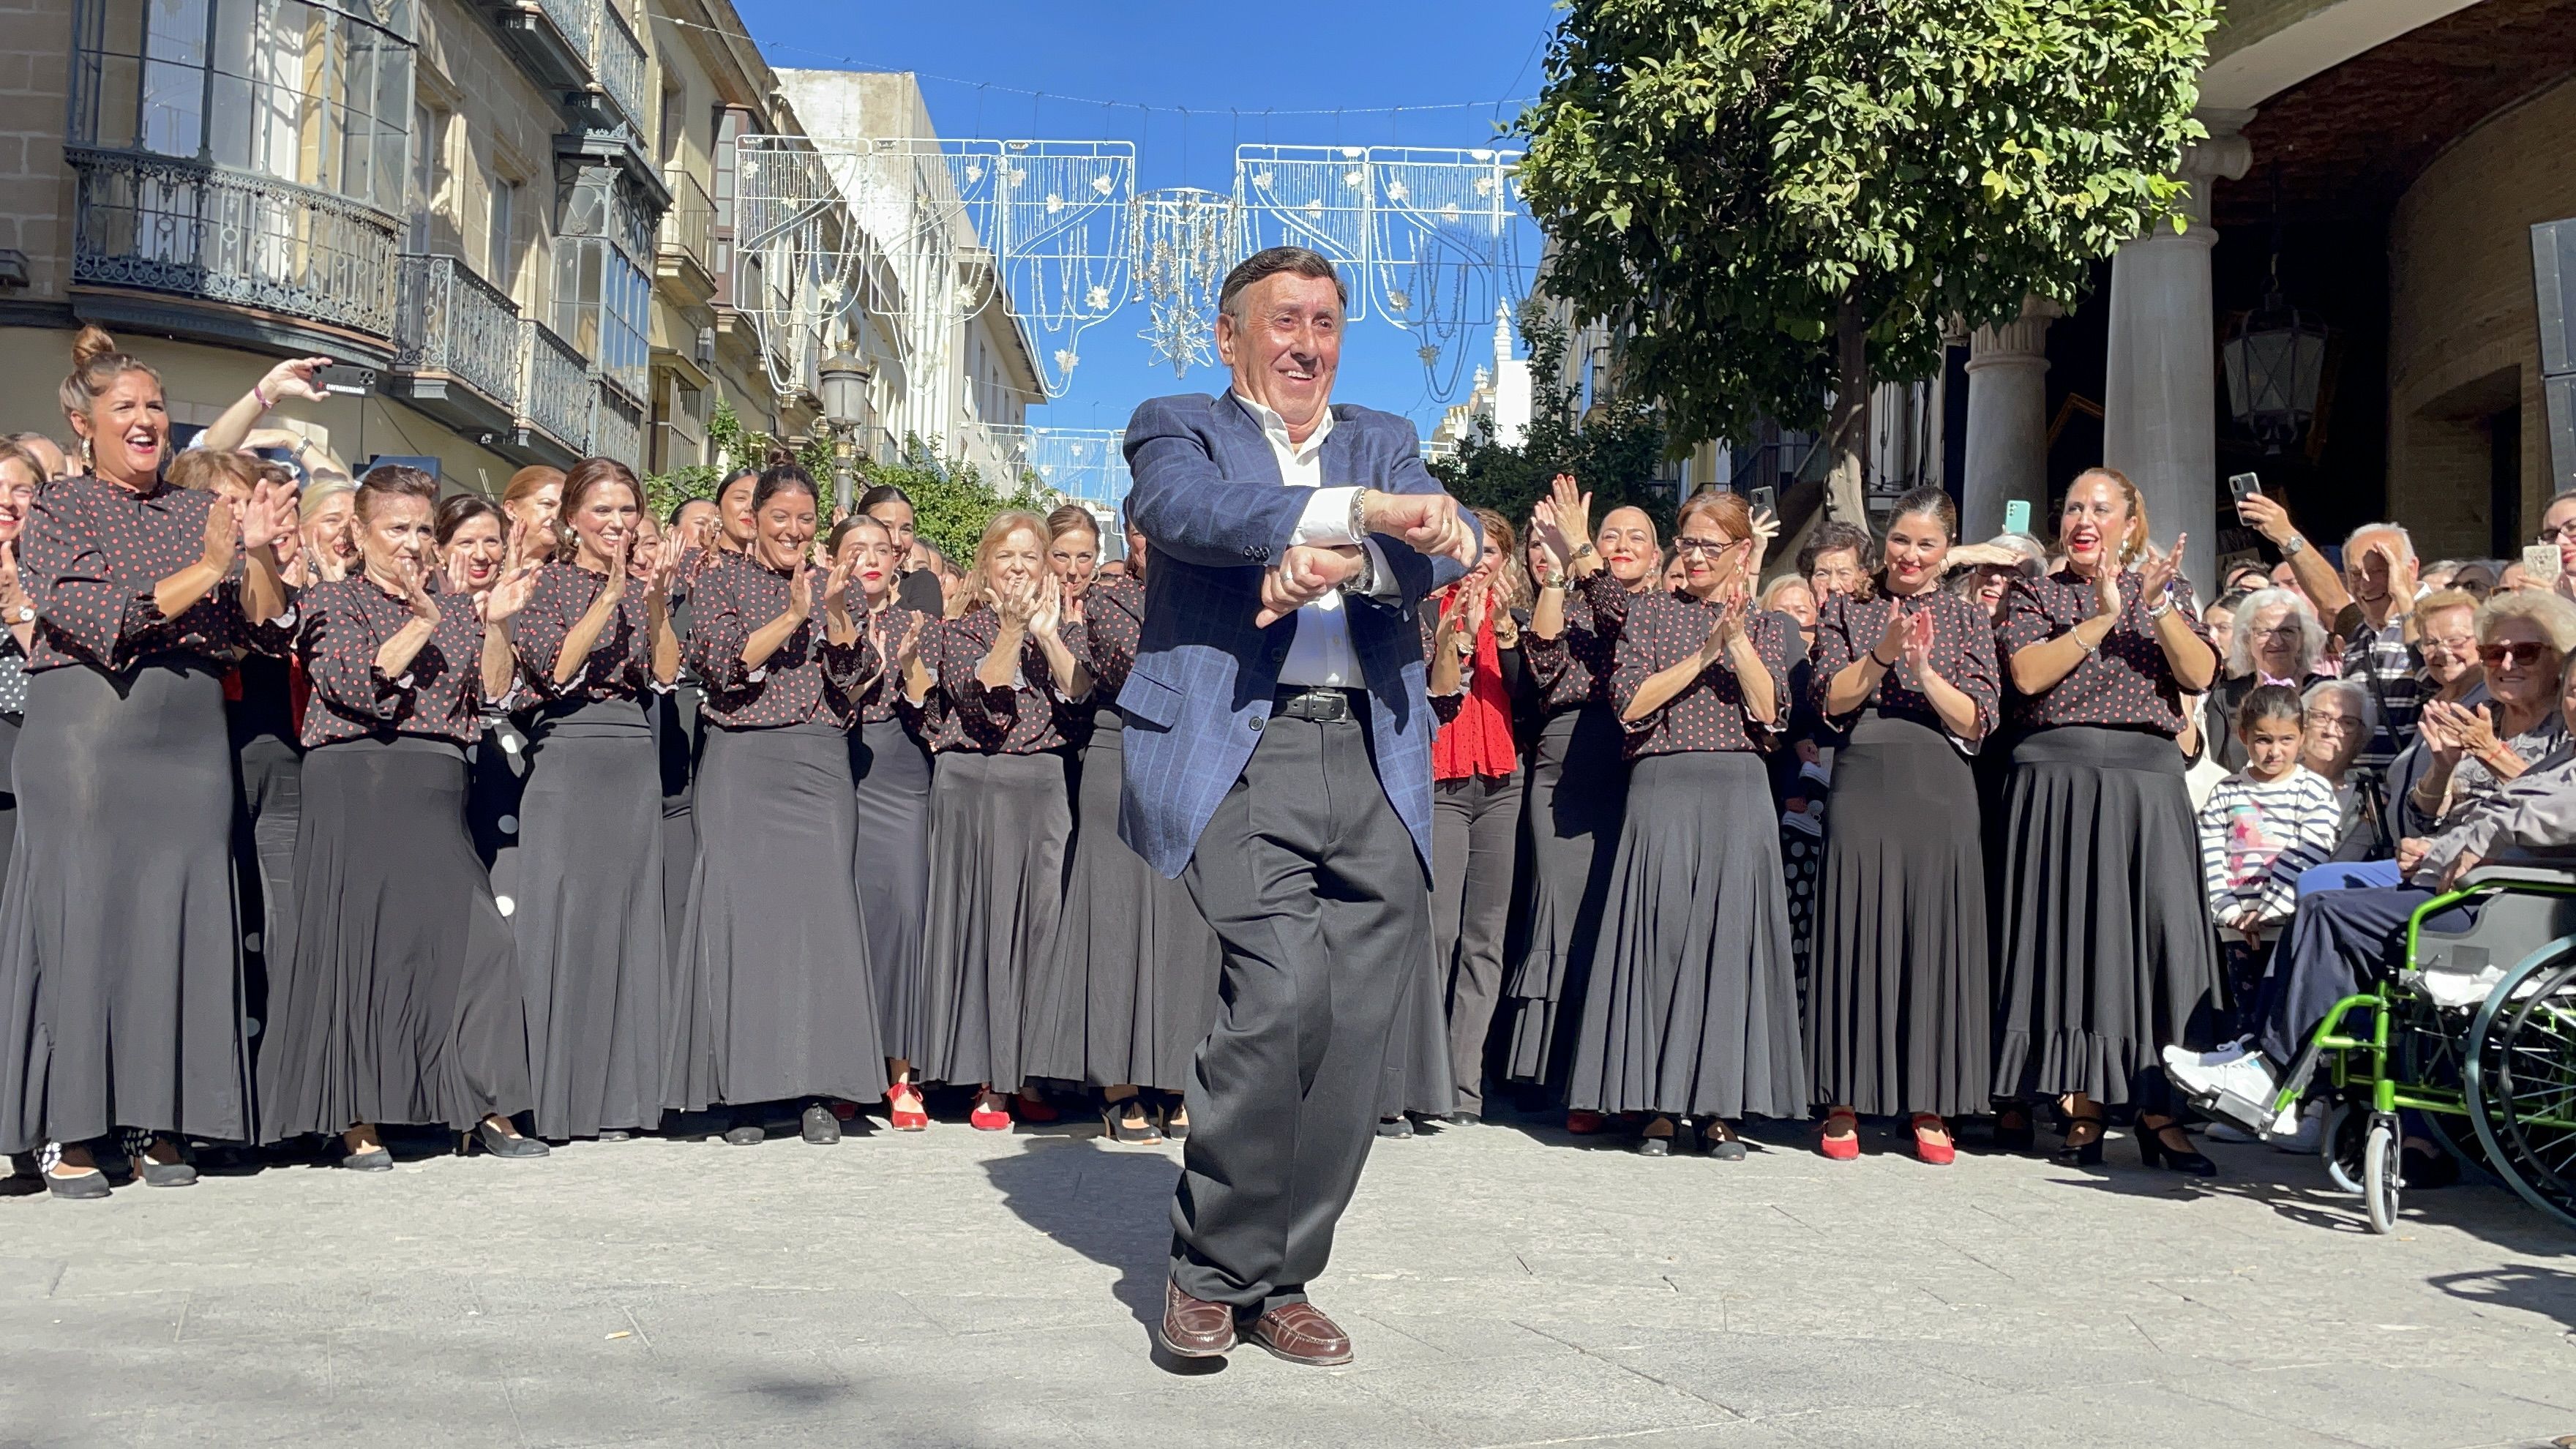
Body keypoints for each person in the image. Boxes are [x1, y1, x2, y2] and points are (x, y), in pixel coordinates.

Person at [1122, 245, 1475, 1367]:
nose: (1307, 344)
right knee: (1279, 995)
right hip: (1240, 747)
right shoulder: (1178, 425)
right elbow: (1186, 511)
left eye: (1325, 323)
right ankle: (1209, 1272)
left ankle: (1283, 1280)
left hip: (1373, 751)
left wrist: (1354, 560)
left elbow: (1442, 551)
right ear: (1230, 335)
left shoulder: (1384, 433)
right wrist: (1349, 515)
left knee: (1357, 1030)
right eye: (1284, 321)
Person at [1, 327, 295, 1197]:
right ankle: (75, 1128)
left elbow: (257, 628)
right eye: (125, 406)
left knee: (181, 919)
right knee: (85, 921)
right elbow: (102, 619)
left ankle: (163, 1121)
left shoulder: (195, 509)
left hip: (191, 738)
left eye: (156, 406)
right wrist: (210, 565)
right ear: (82, 423)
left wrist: (257, 552)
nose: (146, 419)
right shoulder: (60, 508)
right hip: (91, 734)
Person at [258, 465, 547, 1169]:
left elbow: (493, 693)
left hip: (436, 788)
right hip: (359, 783)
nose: (413, 542)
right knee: (359, 950)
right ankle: (355, 1119)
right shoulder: (333, 599)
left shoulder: (457, 607)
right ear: (359, 534)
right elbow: (352, 681)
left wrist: (495, 624)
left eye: (422, 528)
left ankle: (485, 1105)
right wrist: (422, 622)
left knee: (483, 945)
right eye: (397, 528)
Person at [2168, 647, 2576, 1138]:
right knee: (2319, 901)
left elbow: (2543, 818)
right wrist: (2439, 848)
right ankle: (2265, 1059)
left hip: (2506, 908)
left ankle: (2276, 1073)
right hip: (2464, 886)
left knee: (2331, 916)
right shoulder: (2564, 756)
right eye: (2573, 691)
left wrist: (2481, 842)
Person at [1993, 467, 2220, 1174]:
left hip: (2145, 783)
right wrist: (2100, 618)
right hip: (2057, 780)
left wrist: (2155, 608)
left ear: (2130, 521)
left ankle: (2159, 1109)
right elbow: (2027, 676)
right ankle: (2082, 1103)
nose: (2083, 520)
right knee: (2076, 943)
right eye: (2072, 508)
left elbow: (2200, 675)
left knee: (2155, 940)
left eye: (2099, 508)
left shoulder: (2168, 590)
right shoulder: (2038, 591)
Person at [1567, 487, 1800, 1159]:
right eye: (1688, 543)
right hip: (1664, 785)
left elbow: (1772, 711)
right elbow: (1630, 703)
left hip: (1739, 791)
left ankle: (1718, 1110)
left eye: (1710, 546)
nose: (1695, 556)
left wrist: (1736, 642)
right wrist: (1703, 656)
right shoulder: (1648, 612)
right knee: (1661, 942)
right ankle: (1659, 1108)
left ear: (1742, 551)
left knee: (1729, 949)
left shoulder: (1766, 623)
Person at [670, 460, 883, 1146]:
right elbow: (721, 664)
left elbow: (854, 680)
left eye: (805, 519)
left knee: (822, 922)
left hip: (819, 762)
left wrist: (838, 613)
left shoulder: (834, 584)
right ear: (754, 518)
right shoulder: (720, 578)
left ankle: (819, 1089)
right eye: (780, 517)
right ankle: (747, 1095)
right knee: (745, 922)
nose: (793, 530)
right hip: (743, 760)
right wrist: (794, 614)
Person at [1807, 488, 1999, 1164]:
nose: (1910, 555)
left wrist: (1924, 672)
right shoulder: (1847, 607)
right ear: (1883, 540)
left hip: (1941, 785)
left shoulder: (1967, 617)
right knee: (1858, 930)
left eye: (1926, 544)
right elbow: (1831, 699)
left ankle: (1929, 1100)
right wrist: (1884, 654)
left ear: (1947, 552)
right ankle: (1843, 1099)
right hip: (1865, 779)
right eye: (1900, 540)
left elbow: (1979, 717)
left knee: (1934, 938)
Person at [1027, 518, 1221, 1142]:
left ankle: (1177, 1078)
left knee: (1188, 925)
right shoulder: (1113, 597)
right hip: (1125, 753)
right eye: (1143, 532)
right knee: (1113, 920)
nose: (1153, 543)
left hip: (1196, 762)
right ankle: (1117, 1082)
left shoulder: (1217, 592)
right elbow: (1137, 673)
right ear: (1130, 538)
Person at [507, 458, 682, 1143]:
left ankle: (622, 1102)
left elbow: (665, 674)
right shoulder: (543, 582)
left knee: (627, 921)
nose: (616, 522)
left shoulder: (644, 586)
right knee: (564, 918)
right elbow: (554, 669)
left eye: (627, 510)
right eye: (602, 510)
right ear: (572, 517)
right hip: (567, 753)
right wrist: (608, 597)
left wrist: (653, 602)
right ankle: (553, 1102)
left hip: (631, 754)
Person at [916, 511, 1089, 1130]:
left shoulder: (1066, 625)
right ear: (985, 564)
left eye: (1030, 557)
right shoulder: (957, 629)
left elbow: (1080, 694)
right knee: (982, 926)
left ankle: (1030, 1071)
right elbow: (983, 700)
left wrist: (1046, 634)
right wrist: (1011, 631)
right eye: (1006, 556)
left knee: (1041, 926)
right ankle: (987, 1081)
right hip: (974, 783)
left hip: (1041, 785)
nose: (1018, 568)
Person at [1508, 479, 1654, 1122]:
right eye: (1610, 534)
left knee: (1619, 919)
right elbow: (1542, 660)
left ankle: (1611, 1078)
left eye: (1636, 537)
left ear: (1657, 555)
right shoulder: (1568, 598)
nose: (1620, 544)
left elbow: (1624, 619)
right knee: (1562, 915)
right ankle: (1553, 1074)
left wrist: (1584, 549)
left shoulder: (1661, 609)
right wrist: (1559, 568)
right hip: (1567, 755)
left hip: (1637, 762)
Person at [1416, 506, 1532, 1128]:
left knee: (1485, 938)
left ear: (1507, 563)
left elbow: (1530, 697)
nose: (1481, 562)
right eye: (1472, 548)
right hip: (1441, 781)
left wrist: (1504, 633)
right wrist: (1455, 634)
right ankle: (1422, 1079)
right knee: (1437, 933)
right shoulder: (1423, 610)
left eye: (1493, 551)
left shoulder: (1520, 623)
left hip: (1501, 783)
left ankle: (1464, 1086)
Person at [832, 513, 940, 1131]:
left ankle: (902, 1075)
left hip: (900, 773)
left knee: (903, 914)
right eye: (856, 549)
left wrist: (910, 663)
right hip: (833, 770)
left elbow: (930, 706)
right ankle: (846, 1065)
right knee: (843, 917)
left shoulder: (918, 623)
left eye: (881, 549)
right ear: (834, 559)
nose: (871, 559)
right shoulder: (817, 616)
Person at [2195, 685, 2343, 1041]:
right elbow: (2209, 852)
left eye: (2286, 740)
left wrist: (2270, 910)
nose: (2275, 751)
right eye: (2263, 740)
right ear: (2243, 736)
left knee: (2287, 1012)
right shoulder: (2227, 791)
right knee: (2247, 1013)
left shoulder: (2313, 790)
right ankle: (2245, 1063)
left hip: (2291, 925)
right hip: (2238, 929)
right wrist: (2229, 911)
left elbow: (2311, 853)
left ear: (2302, 737)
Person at [2399, 590, 2573, 841]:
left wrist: (2490, 752)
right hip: (2443, 851)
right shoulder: (2479, 717)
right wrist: (2442, 769)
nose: (2507, 665)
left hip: (2510, 860)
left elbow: (2561, 809)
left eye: (2525, 652)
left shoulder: (2568, 725)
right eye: (2494, 654)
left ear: (2559, 657)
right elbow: (2421, 819)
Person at [2205, 588, 2327, 769]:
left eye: (2287, 631)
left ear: (2303, 637)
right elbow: (2214, 767)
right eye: (2264, 632)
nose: (2276, 641)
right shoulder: (2226, 696)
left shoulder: (2323, 693)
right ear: (2246, 639)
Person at [861, 483, 947, 615]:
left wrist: (889, 593)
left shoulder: (921, 584)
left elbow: (926, 627)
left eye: (905, 530)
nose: (896, 541)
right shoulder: (836, 584)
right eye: (886, 527)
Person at [501, 465, 565, 564]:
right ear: (511, 509)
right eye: (548, 504)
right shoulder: (483, 559)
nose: (557, 517)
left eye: (564, 510)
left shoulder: (570, 571)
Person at [1801, 520, 1873, 602]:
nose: (1833, 586)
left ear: (1863, 577)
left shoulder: (1881, 609)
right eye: (1822, 574)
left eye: (1844, 574)